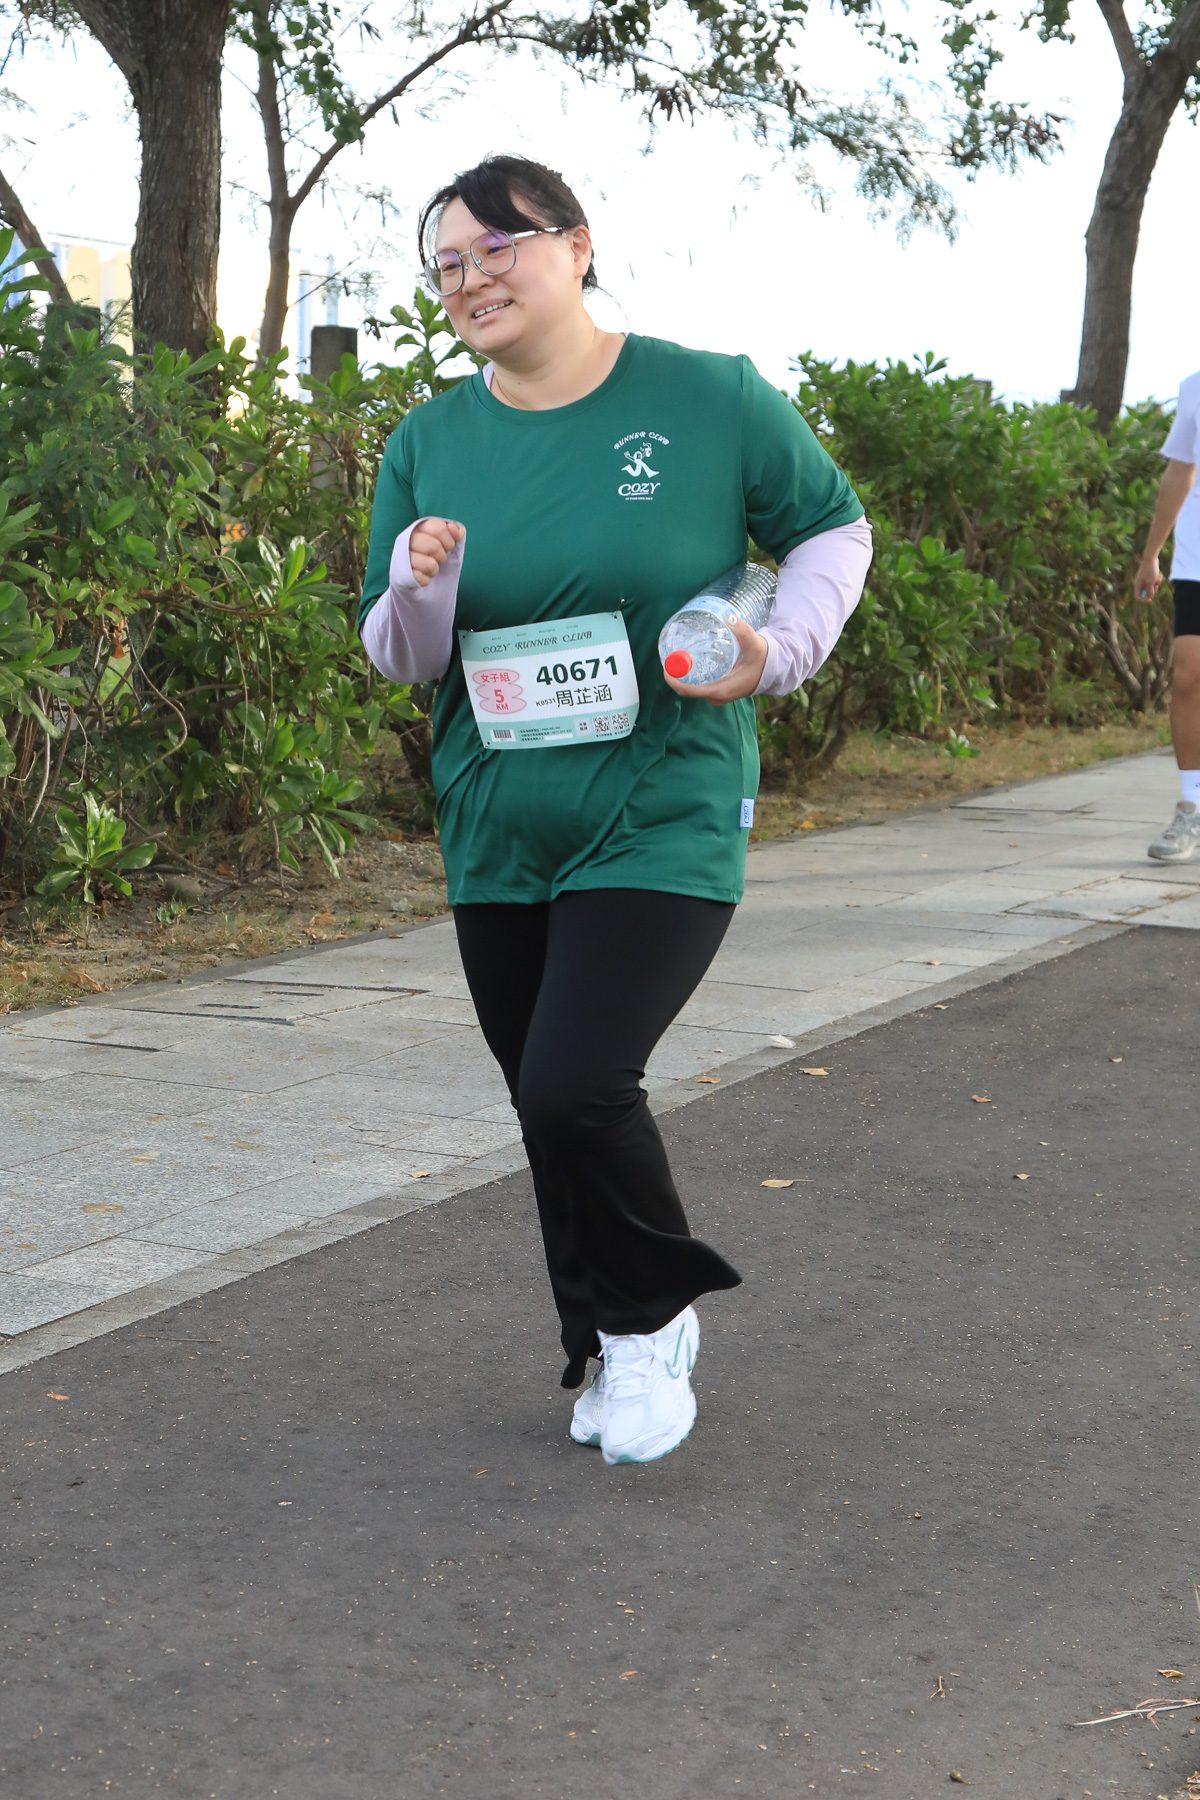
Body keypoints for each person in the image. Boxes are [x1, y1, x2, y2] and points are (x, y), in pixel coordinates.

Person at [360, 155, 871, 1465]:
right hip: (497, 816)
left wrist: (779, 652)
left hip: (663, 801)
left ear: (577, 245)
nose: (470, 279)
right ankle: (598, 1343)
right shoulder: (428, 443)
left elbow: (831, 528)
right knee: (544, 1104)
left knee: (578, 1082)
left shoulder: (706, 396)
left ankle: (650, 1323)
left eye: (497, 248)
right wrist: (418, 582)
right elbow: (403, 654)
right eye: (447, 264)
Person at [1136, 368, 1200, 860]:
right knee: (1187, 677)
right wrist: (1151, 554)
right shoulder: (1195, 387)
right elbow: (1180, 470)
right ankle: (1191, 807)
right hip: (1196, 561)